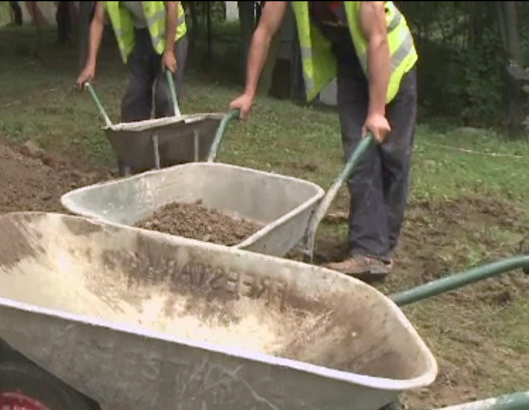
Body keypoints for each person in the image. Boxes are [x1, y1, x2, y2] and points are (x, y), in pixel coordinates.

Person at [229, 1, 418, 281]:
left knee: (393, 157)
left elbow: (378, 39)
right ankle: (369, 249)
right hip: (352, 65)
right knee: (359, 154)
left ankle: (382, 246)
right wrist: (249, 91)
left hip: (392, 60)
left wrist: (377, 112)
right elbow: (265, 30)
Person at [76, 2, 188, 172]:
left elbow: (172, 6)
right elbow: (98, 20)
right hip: (142, 37)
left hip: (171, 33)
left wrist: (169, 50)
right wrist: (90, 64)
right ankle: (134, 161)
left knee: (165, 97)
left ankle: (168, 162)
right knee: (134, 98)